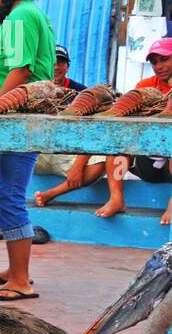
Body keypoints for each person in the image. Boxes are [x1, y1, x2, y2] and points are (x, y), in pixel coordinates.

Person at [0, 0, 56, 301]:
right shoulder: (26, 15)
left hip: (19, 119)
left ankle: (20, 280)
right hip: (16, 117)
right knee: (5, 193)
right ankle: (15, 268)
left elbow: (22, 70)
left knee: (8, 195)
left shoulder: (22, 15)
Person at [34, 37, 172, 223]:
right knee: (116, 141)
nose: (159, 66)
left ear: (67, 66)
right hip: (148, 162)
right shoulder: (144, 86)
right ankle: (116, 198)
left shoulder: (78, 88)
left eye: (164, 59)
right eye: (154, 62)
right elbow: (114, 125)